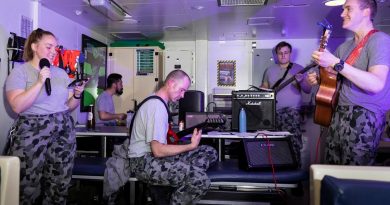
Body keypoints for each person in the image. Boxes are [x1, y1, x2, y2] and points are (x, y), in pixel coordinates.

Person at [5, 28, 87, 204]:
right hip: (32, 130)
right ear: (34, 46)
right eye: (49, 47)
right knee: (27, 182)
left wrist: (78, 94)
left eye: (55, 48)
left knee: (60, 180)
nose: (53, 52)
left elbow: (68, 106)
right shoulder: (20, 72)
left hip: (63, 128)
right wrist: (40, 81)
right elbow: (17, 106)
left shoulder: (60, 73)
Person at [307, 0, 390, 165]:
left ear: (366, 11)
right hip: (338, 113)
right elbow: (334, 78)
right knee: (333, 170)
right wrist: (318, 77)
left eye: (348, 9)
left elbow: (376, 84)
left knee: (354, 175)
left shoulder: (380, 40)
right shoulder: (344, 47)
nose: (342, 14)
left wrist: (336, 62)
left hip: (365, 115)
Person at [128, 70, 218, 205]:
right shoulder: (156, 107)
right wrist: (190, 146)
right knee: (200, 180)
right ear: (170, 83)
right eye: (181, 90)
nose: (182, 96)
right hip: (143, 163)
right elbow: (158, 151)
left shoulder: (159, 102)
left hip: (154, 156)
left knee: (210, 152)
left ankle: (175, 179)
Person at [261, 41, 311, 166]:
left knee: (293, 143)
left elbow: (307, 89)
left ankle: (294, 174)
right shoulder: (269, 70)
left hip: (292, 113)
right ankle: (277, 174)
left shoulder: (299, 68)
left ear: (290, 54)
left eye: (286, 53)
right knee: (275, 144)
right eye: (280, 53)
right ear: (276, 55)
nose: (283, 55)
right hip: (273, 114)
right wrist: (261, 90)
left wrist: (301, 81)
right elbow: (264, 89)